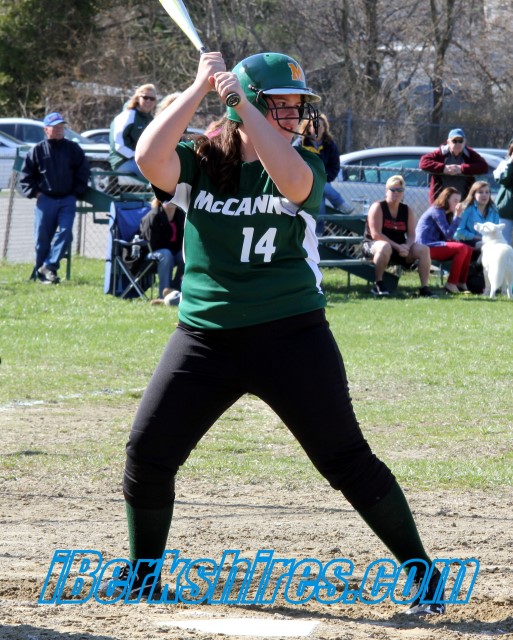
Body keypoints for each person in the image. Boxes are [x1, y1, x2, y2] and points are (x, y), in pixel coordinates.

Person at [103, 51, 446, 616]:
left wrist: (244, 104)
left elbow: (291, 180)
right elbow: (147, 156)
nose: (294, 115)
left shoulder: (300, 160)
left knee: (345, 460)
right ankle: (143, 578)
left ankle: (425, 578)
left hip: (291, 335)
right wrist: (199, 87)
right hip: (205, 337)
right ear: (243, 108)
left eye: (296, 105)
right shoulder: (200, 160)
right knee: (148, 453)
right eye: (280, 105)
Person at [19, 112, 90, 284]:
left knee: (65, 233)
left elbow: (83, 171)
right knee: (42, 238)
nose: (59, 130)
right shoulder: (37, 150)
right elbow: (25, 176)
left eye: (61, 127)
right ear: (46, 130)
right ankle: (42, 274)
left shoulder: (73, 149)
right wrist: (36, 193)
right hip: (45, 200)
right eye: (55, 127)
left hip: (67, 199)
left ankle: (49, 266)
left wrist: (76, 192)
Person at [362, 175, 436, 297]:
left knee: (424, 249)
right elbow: (376, 234)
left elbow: (412, 235)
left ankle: (424, 288)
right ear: (387, 191)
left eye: (400, 190)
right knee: (384, 247)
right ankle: (378, 283)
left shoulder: (407, 210)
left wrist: (407, 246)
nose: (396, 193)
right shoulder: (378, 207)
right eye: (393, 189)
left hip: (399, 247)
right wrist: (398, 247)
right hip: (374, 245)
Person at [299, 112, 353, 235]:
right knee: (320, 188)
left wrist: (322, 178)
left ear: (325, 128)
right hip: (303, 182)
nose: (318, 128)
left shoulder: (330, 145)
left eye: (320, 126)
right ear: (308, 127)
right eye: (314, 125)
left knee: (320, 197)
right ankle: (340, 203)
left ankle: (317, 234)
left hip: (322, 182)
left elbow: (334, 166)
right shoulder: (300, 143)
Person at [415, 187, 474, 294]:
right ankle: (451, 283)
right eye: (455, 200)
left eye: (459, 201)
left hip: (435, 244)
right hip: (425, 246)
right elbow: (448, 234)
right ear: (446, 199)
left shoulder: (446, 213)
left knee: (468, 249)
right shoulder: (437, 210)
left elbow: (447, 237)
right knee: (461, 248)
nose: (458, 204)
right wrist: (457, 215)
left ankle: (461, 282)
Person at [419, 128, 489, 203]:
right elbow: (423, 162)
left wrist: (462, 169)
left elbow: (484, 166)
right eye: (454, 141)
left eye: (460, 141)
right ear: (448, 142)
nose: (457, 144)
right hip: (441, 200)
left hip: (464, 201)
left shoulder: (469, 154)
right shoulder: (441, 153)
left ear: (464, 142)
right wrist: (443, 168)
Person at [139, 198, 185, 300]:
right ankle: (163, 294)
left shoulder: (180, 215)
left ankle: (175, 291)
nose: (171, 201)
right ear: (160, 200)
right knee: (166, 254)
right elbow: (151, 244)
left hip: (171, 253)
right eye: (168, 198)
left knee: (185, 255)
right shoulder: (153, 216)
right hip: (150, 255)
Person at [109, 84, 157, 179]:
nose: (148, 101)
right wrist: (137, 156)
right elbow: (118, 145)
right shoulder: (128, 115)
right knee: (156, 173)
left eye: (152, 99)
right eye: (145, 97)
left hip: (142, 161)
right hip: (123, 161)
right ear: (138, 98)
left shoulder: (150, 119)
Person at [454, 180, 500, 247]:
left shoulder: (494, 209)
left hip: (489, 242)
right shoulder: (466, 208)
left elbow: (496, 230)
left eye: (487, 192)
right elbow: (458, 233)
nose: (484, 195)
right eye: (480, 192)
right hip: (468, 242)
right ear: (474, 194)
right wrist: (480, 238)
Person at [493, 139, 513, 245]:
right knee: (503, 243)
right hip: (506, 209)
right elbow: (503, 181)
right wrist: (511, 164)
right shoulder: (504, 164)